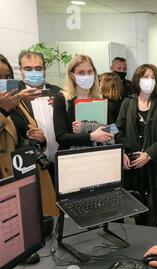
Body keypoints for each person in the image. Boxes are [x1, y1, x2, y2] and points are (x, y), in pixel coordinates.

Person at [116, 64, 157, 227]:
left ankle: (152, 249)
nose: (149, 80)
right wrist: (123, 152)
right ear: (137, 79)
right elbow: (117, 129)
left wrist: (148, 155)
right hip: (133, 167)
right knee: (137, 214)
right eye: (145, 77)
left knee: (153, 212)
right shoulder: (127, 103)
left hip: (155, 168)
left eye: (153, 77)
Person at [0, 54, 58, 216]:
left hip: (29, 171)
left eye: (7, 77)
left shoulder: (15, 101)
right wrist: (3, 110)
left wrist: (41, 138)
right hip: (6, 178)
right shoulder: (15, 98)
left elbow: (27, 131)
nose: (3, 82)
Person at [16, 51, 62, 182]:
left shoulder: (58, 92)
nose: (34, 72)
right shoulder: (14, 95)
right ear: (20, 70)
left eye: (38, 68)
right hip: (32, 164)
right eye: (28, 69)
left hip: (59, 161)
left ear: (44, 69)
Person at [53, 54, 113, 150]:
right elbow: (61, 137)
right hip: (72, 156)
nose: (86, 76)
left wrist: (87, 128)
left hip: (99, 153)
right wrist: (91, 136)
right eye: (81, 72)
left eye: (90, 72)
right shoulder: (62, 98)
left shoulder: (101, 98)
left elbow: (113, 129)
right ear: (72, 76)